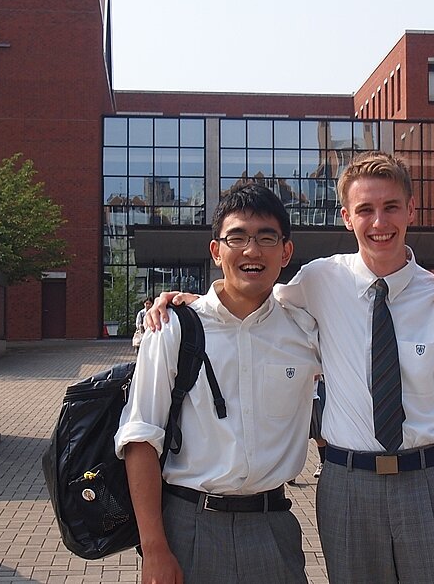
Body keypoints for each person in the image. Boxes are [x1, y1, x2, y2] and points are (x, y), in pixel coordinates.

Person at [277, 151, 434, 582]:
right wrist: (196, 303)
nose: (379, 222)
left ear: (411, 210)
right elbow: (255, 308)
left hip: (430, 485)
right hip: (347, 490)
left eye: (391, 207)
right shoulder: (319, 281)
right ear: (346, 217)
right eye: (365, 209)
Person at [115, 182, 322, 583]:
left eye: (266, 237)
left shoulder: (305, 331)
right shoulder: (176, 328)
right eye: (237, 237)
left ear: (286, 251)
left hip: (272, 527)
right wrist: (154, 548)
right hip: (189, 527)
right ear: (216, 251)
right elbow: (140, 437)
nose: (252, 250)